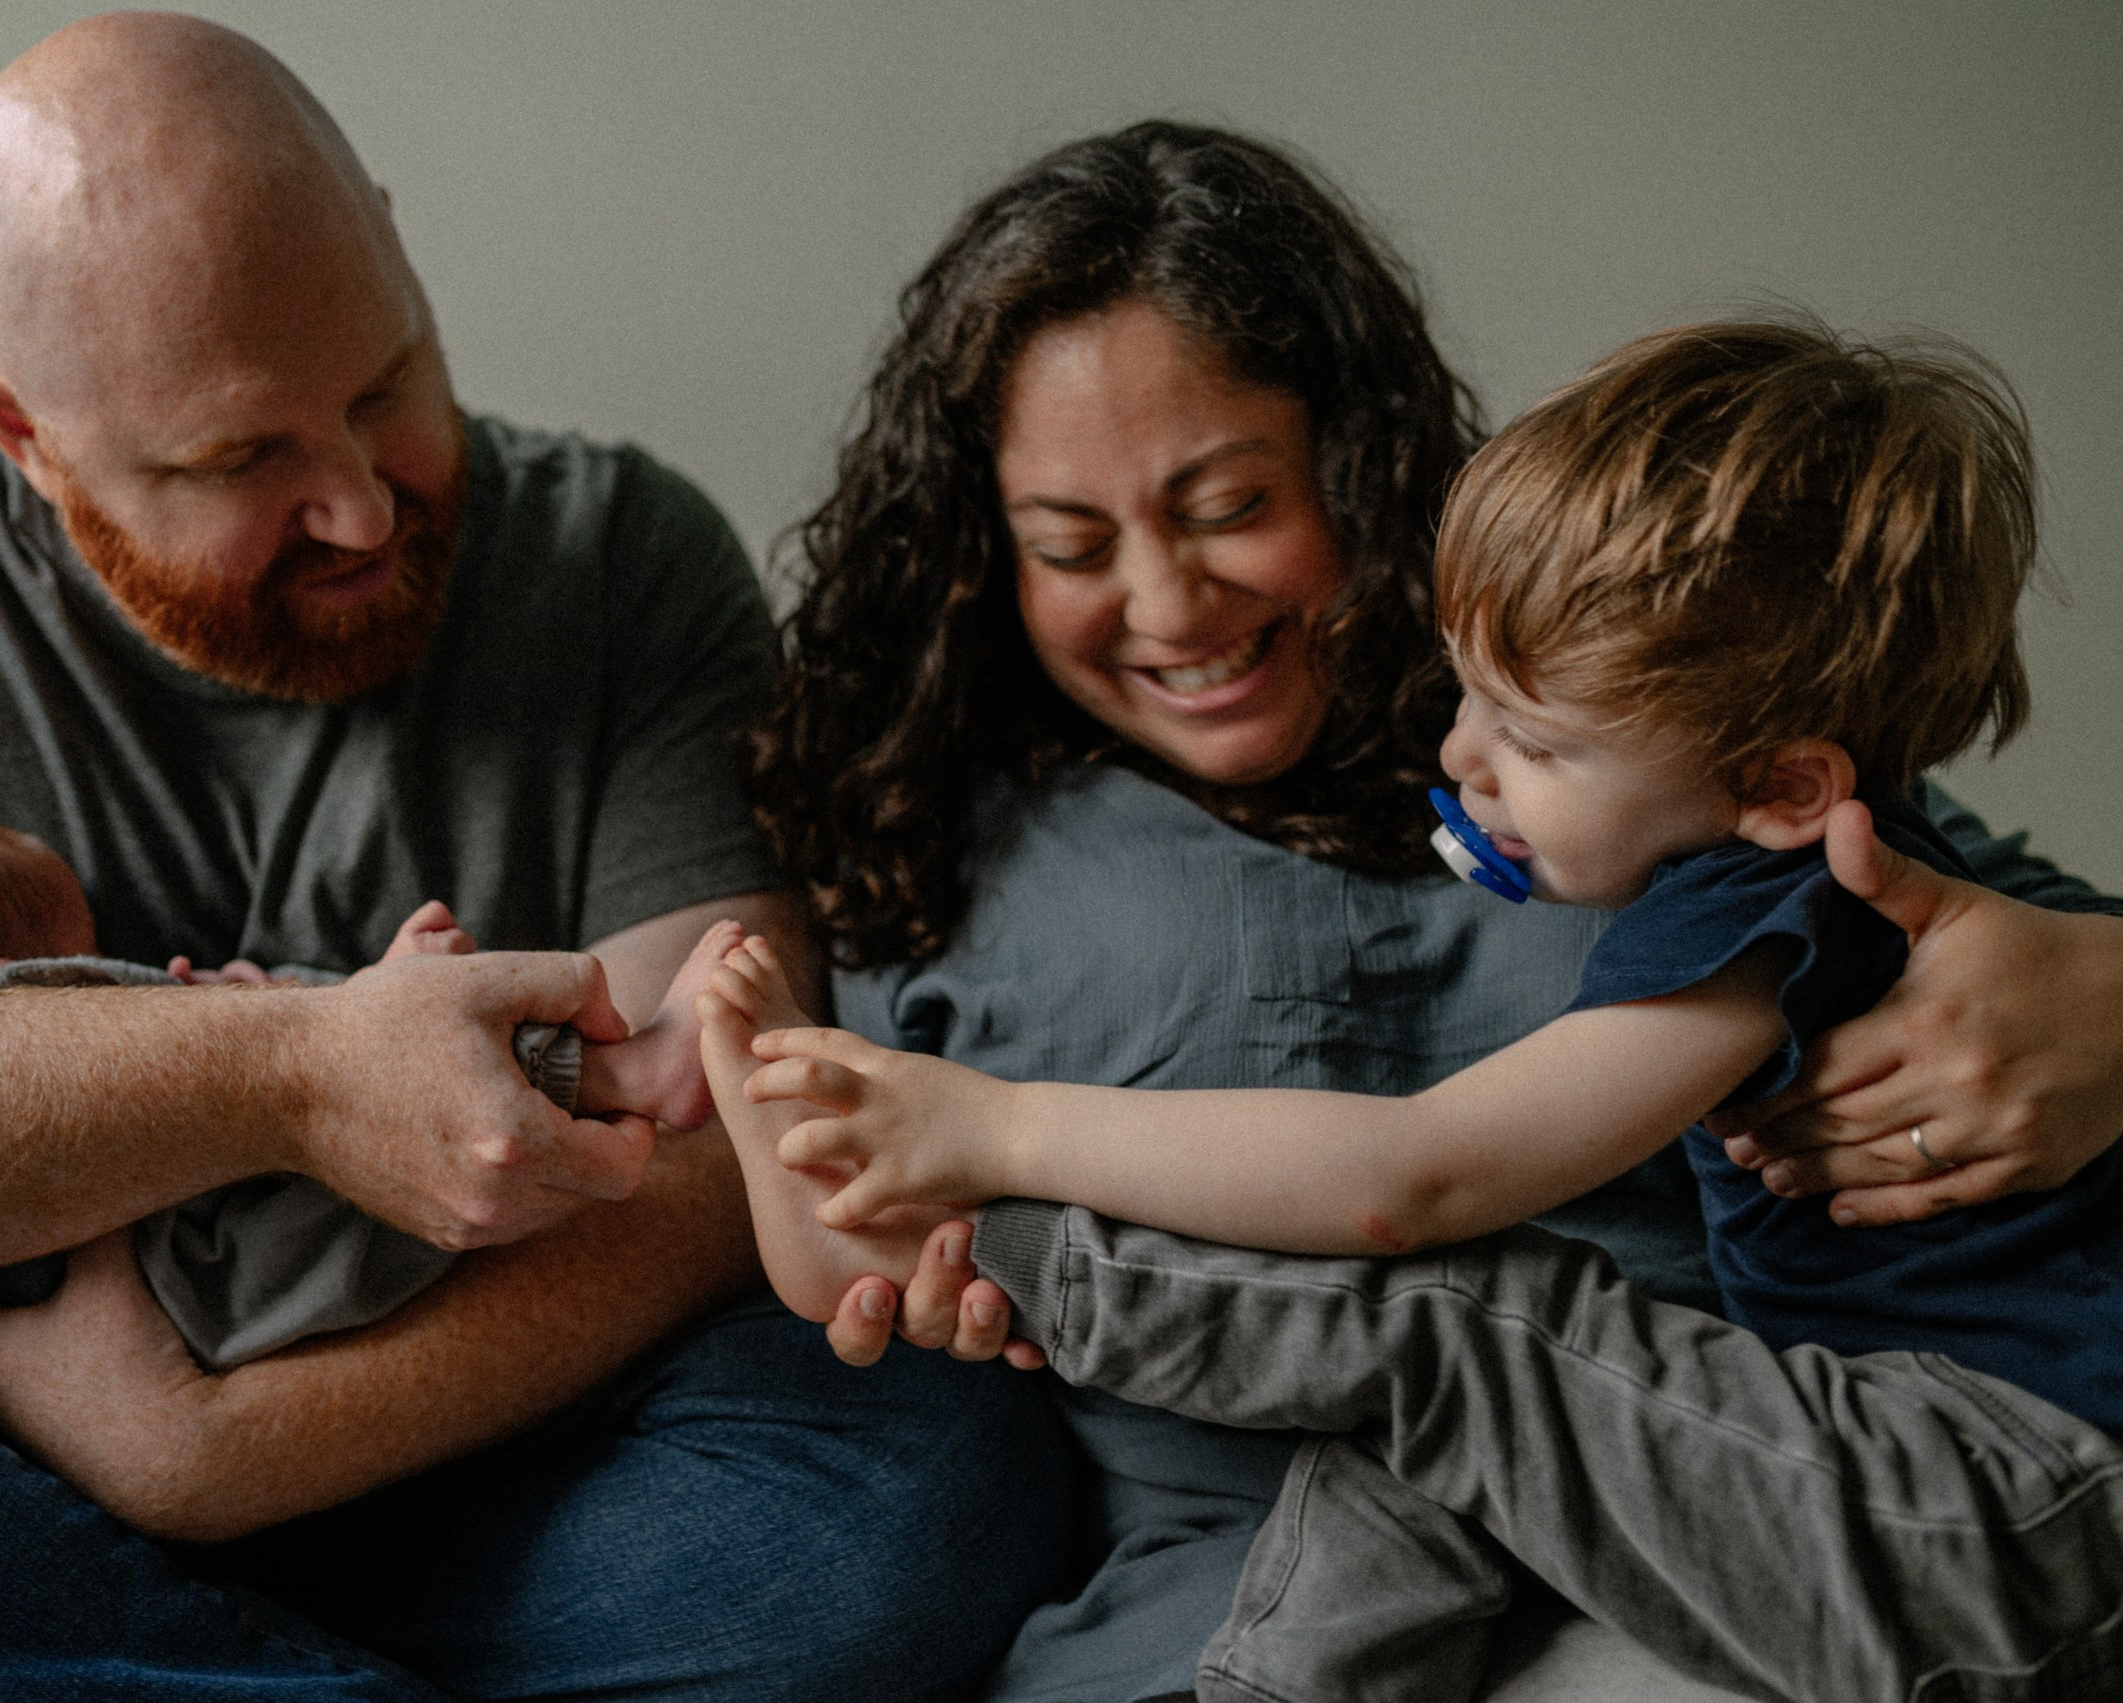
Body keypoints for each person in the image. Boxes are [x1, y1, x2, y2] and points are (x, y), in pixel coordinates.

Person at [0, 15, 1070, 1702]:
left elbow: (722, 1153)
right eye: (242, 458)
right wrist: (285, 1071)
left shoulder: (621, 556)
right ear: (23, 437)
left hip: (476, 1461)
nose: (362, 503)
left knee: (922, 1494)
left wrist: (202, 1450)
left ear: (397, 246)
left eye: (384, 386)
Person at [743, 121, 2123, 1703]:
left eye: (1229, 502)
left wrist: (994, 1140)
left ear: (1355, 458)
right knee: (1435, 1434)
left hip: (1935, 1498)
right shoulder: (946, 833)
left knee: (1471, 1322)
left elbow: (1417, 1190)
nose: (1173, 604)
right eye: (1070, 544)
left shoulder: (1718, 807)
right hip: (1559, 1505)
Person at [0, 806, 735, 1369]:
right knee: (410, 1110)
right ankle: (634, 1068)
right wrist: (297, 1014)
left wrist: (278, 1008)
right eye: (87, 962)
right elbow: (211, 1062)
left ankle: (418, 1013)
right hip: (214, 1276)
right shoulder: (11, 1014)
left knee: (367, 1074)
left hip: (207, 1271)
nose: (120, 975)